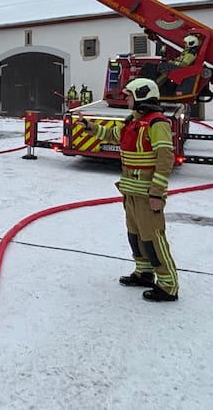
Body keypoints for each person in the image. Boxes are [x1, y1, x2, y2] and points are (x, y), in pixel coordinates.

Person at [76, 77, 180, 302]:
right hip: (131, 192)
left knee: (153, 239)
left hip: (147, 194)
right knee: (135, 236)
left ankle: (168, 285)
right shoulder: (133, 120)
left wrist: (157, 192)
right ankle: (144, 273)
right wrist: (90, 127)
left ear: (142, 96)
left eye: (130, 95)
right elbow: (114, 135)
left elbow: (165, 157)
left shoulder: (157, 123)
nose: (126, 99)